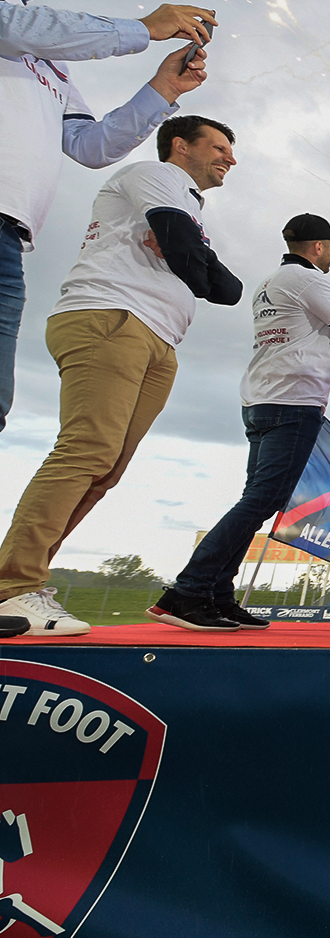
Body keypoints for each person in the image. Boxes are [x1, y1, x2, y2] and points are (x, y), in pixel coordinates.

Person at [0, 115, 242, 635]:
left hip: (157, 336)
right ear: (181, 146)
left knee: (105, 470)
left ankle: (27, 586)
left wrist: (192, 255)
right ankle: (11, 588)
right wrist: (190, 256)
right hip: (113, 316)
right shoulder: (155, 176)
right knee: (86, 451)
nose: (230, 158)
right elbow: (190, 258)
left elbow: (230, 290)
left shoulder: (188, 205)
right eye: (219, 147)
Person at [0, 0, 217, 433]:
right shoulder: (21, 25)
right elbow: (17, 27)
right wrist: (143, 28)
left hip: (10, 237)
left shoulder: (44, 54)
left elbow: (90, 145)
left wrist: (162, 90)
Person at [150, 215, 330, 629]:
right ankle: (187, 591)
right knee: (262, 500)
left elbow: (309, 325)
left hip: (262, 397)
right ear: (318, 246)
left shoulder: (273, 281)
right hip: (293, 401)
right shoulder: (310, 280)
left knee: (258, 498)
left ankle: (217, 594)